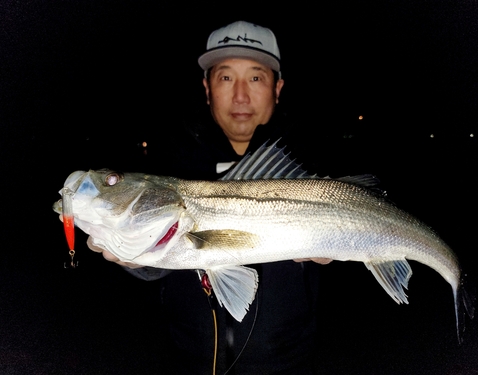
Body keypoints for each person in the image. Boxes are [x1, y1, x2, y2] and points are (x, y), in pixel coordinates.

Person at [88, 20, 330, 374]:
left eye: (256, 77)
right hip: (185, 360)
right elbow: (162, 258)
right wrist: (138, 260)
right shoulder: (173, 165)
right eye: (226, 77)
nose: (241, 96)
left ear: (278, 87)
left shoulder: (311, 165)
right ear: (207, 87)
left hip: (289, 362)